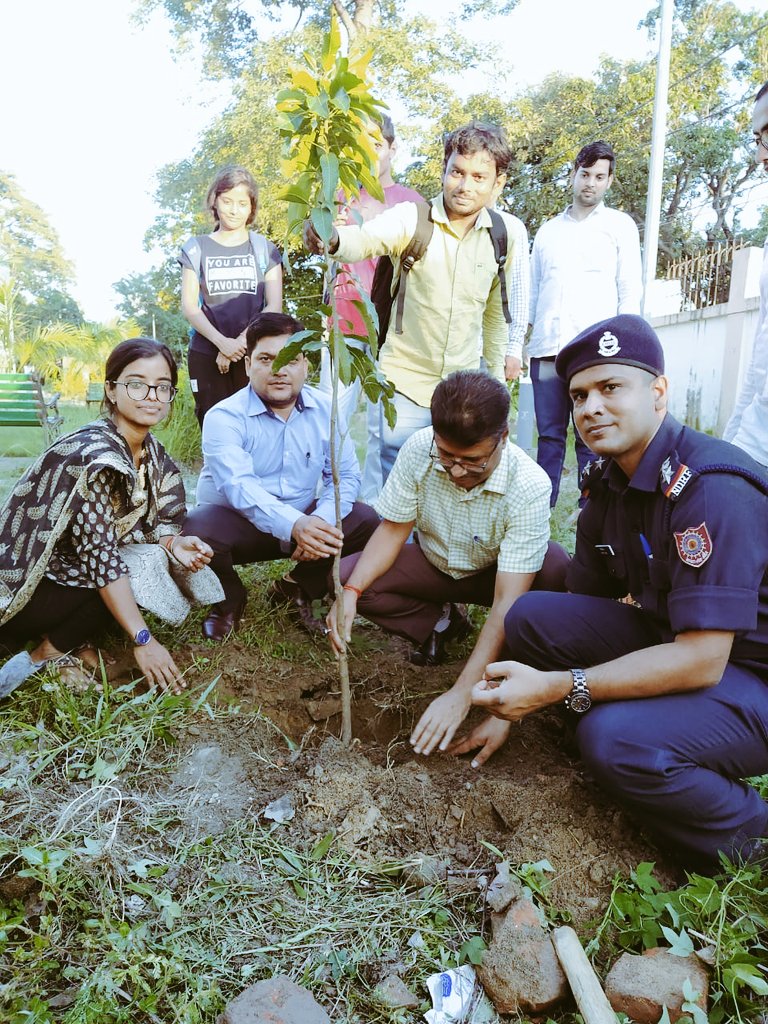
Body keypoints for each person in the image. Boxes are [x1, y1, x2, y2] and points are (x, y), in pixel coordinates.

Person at [451, 315, 768, 872]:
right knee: (531, 616)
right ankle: (627, 743)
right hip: (678, 639)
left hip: (747, 673)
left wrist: (559, 688)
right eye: (578, 395)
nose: (590, 407)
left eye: (610, 388)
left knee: (613, 740)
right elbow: (580, 604)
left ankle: (750, 837)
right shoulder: (609, 482)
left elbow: (703, 657)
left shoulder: (711, 488)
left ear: (659, 392)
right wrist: (507, 708)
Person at [326, 370, 569, 758]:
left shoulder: (530, 485)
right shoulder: (419, 449)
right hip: (434, 562)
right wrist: (351, 593)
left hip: (494, 578)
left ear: (502, 438)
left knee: (555, 568)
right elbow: (392, 532)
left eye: (472, 461)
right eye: (447, 456)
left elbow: (507, 601)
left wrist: (462, 693)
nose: (456, 470)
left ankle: (514, 662)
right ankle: (442, 622)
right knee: (346, 576)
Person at [304, 122, 530, 480]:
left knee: (457, 480)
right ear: (444, 169)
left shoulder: (505, 234)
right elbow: (364, 239)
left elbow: (494, 315)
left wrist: (496, 385)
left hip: (464, 387)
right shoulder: (413, 218)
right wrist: (331, 238)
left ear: (497, 183)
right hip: (404, 383)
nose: (465, 185)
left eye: (478, 177)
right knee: (397, 479)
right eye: (456, 172)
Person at [0, 338, 217, 698]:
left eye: (162, 387)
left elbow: (156, 521)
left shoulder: (152, 454)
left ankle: (58, 643)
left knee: (148, 559)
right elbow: (101, 558)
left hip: (72, 581)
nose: (151, 395)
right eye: (137, 384)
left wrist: (173, 543)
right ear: (112, 390)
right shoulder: (94, 455)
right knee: (126, 569)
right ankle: (47, 654)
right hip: (29, 592)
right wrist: (143, 639)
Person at [183, 312, 380, 641]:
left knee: (364, 520)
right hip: (237, 525)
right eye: (266, 358)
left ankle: (298, 587)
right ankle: (229, 599)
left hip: (302, 521)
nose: (279, 369)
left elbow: (345, 477)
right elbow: (239, 487)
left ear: (305, 366)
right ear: (247, 365)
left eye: (291, 360)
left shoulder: (326, 410)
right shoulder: (224, 416)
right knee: (197, 528)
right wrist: (296, 526)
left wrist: (317, 523)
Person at [528, 141, 642, 506]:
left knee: (591, 436)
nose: (590, 183)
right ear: (572, 175)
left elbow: (630, 290)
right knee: (548, 436)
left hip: (595, 354)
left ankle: (592, 514)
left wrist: (627, 351)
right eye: (584, 174)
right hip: (547, 351)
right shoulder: (547, 232)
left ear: (609, 181)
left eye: (599, 176)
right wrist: (520, 344)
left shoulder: (619, 227)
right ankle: (538, 515)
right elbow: (533, 293)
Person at [319, 114, 423, 501]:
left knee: (386, 428)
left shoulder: (412, 204)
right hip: (343, 323)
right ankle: (335, 503)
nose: (369, 154)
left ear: (393, 148)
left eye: (377, 145)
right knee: (333, 416)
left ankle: (382, 508)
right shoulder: (338, 197)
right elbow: (319, 242)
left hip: (393, 331)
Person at [180, 165, 283, 427]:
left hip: (253, 354)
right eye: (227, 201)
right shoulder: (195, 248)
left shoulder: (265, 250)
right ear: (215, 200)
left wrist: (238, 344)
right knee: (213, 426)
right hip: (205, 353)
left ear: (252, 207)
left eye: (242, 203)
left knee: (256, 425)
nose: (234, 209)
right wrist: (221, 343)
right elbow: (190, 307)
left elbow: (274, 305)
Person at [722, 82, 768, 468]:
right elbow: (761, 357)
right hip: (759, 441)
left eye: (767, 136)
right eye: (756, 139)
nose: (759, 155)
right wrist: (731, 442)